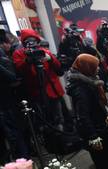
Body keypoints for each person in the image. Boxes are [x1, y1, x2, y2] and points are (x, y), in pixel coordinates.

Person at [12, 29, 65, 129]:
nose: (31, 44)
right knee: (42, 120)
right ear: (23, 43)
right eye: (27, 42)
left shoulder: (44, 51)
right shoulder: (19, 54)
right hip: (35, 92)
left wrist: (50, 59)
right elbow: (19, 70)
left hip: (52, 91)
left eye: (34, 41)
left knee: (58, 119)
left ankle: (62, 136)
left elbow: (59, 69)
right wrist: (27, 60)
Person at [0, 30, 29, 160]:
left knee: (14, 135)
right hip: (6, 103)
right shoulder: (3, 59)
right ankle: (22, 163)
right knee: (14, 134)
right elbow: (13, 78)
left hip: (7, 101)